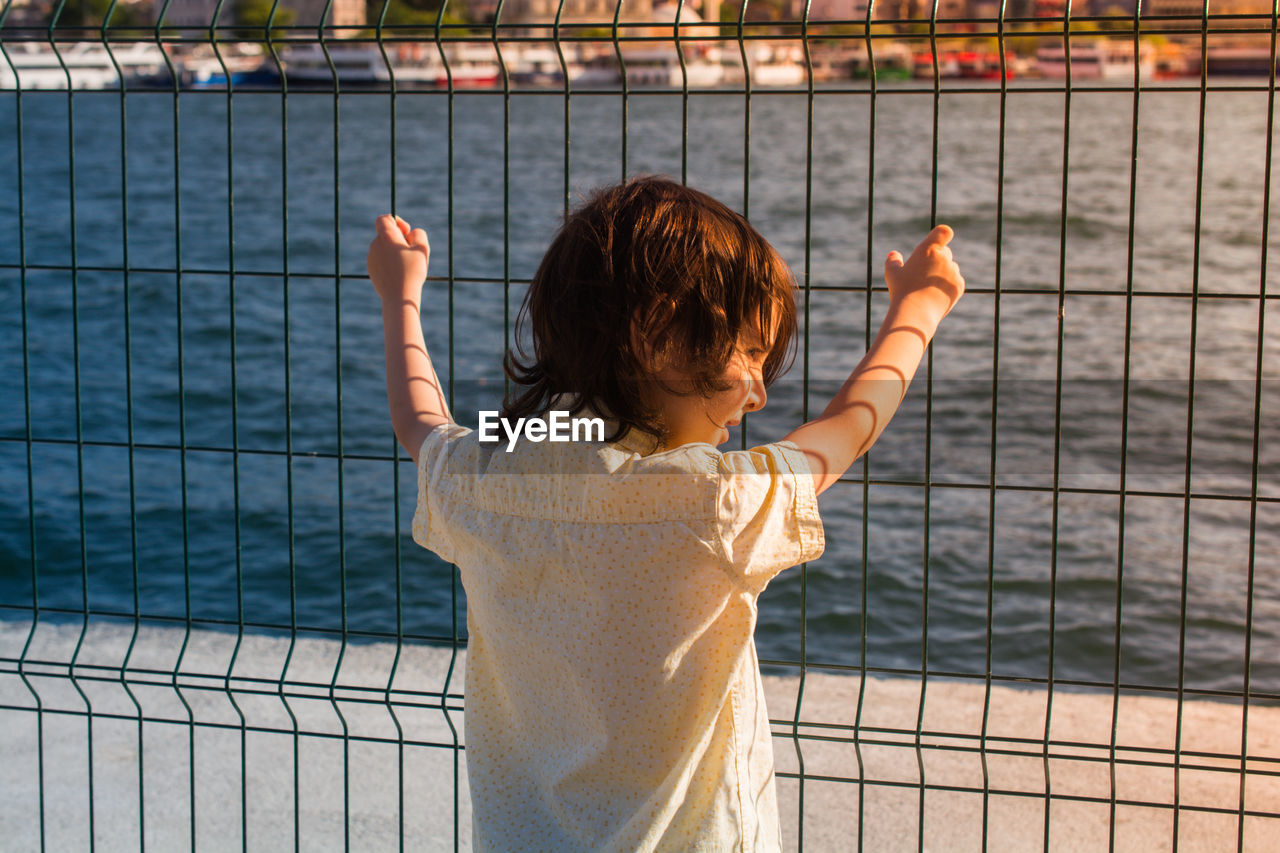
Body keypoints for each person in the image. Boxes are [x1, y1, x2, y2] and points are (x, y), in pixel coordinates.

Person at [367, 176, 964, 851]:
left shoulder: (486, 474)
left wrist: (400, 298)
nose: (761, 392)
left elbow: (421, 422)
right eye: (752, 353)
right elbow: (847, 430)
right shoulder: (716, 505)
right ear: (656, 335)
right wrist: (919, 309)